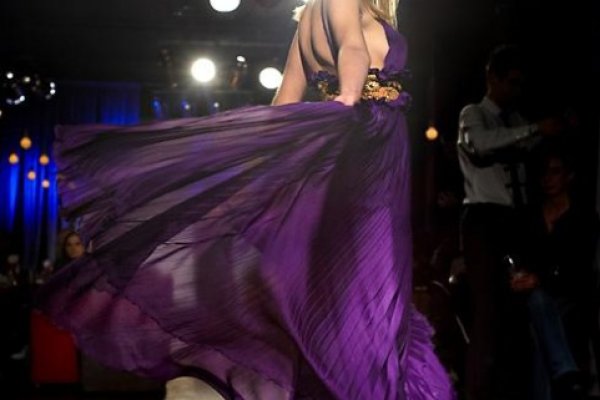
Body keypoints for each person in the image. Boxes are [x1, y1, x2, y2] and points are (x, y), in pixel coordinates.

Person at [36, 0, 454, 398]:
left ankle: (345, 381)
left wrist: (262, 161)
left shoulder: (308, 20)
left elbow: (286, 96)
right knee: (368, 291)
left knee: (348, 286)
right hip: (365, 145)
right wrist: (347, 99)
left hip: (367, 152)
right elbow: (352, 47)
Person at [456, 44, 563, 399]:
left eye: (520, 84)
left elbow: (532, 147)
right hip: (483, 219)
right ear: (493, 78)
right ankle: (477, 393)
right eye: (511, 82)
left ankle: (510, 391)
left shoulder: (515, 119)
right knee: (487, 314)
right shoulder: (474, 114)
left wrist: (550, 130)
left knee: (514, 312)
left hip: (514, 219)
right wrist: (534, 129)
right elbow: (481, 145)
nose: (515, 91)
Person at [511, 146, 599, 399]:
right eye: (544, 173)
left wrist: (541, 278)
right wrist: (519, 277)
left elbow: (579, 267)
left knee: (543, 314)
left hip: (569, 294)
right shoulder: (531, 216)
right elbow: (521, 256)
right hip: (533, 296)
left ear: (568, 176)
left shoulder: (583, 217)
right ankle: (566, 373)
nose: (548, 178)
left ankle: (562, 373)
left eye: (555, 172)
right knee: (539, 306)